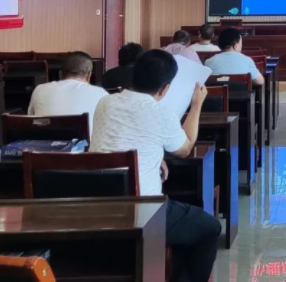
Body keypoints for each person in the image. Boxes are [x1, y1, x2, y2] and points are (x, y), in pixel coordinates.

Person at [90, 50, 222, 282]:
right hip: (143, 211)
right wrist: (196, 105)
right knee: (209, 228)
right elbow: (184, 148)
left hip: (98, 204)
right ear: (164, 89)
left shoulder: (105, 102)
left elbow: (124, 136)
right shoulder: (161, 112)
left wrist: (156, 156)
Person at [28, 51, 108, 133]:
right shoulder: (101, 94)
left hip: (44, 140)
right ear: (89, 76)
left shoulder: (39, 90)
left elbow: (30, 121)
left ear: (60, 74)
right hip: (85, 141)